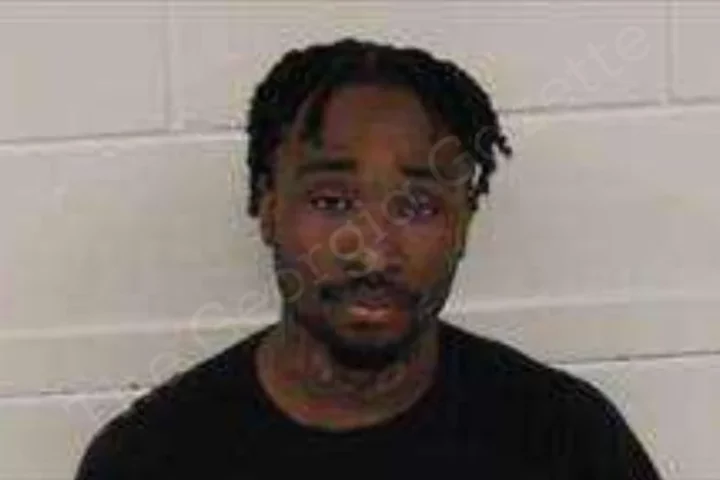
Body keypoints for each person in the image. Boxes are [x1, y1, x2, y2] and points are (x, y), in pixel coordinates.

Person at [75, 38, 662, 479]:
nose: (374, 251)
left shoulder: (565, 442)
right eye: (331, 201)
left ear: (463, 223)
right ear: (267, 207)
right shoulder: (152, 457)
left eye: (418, 206)